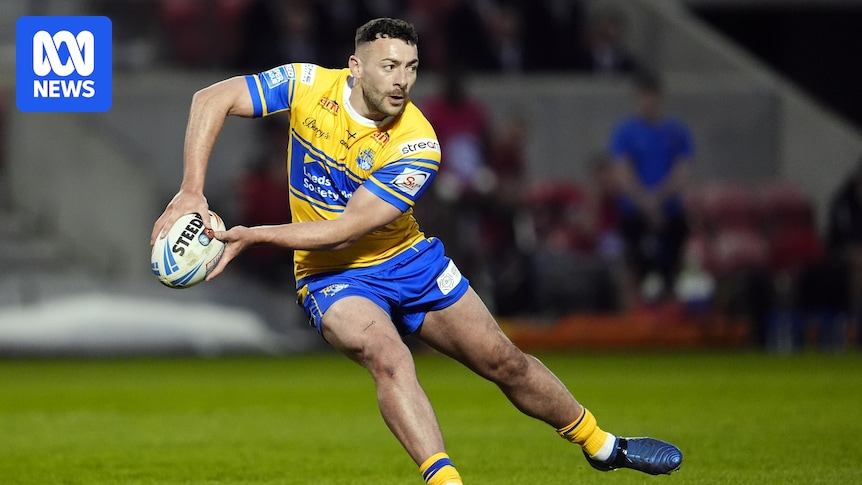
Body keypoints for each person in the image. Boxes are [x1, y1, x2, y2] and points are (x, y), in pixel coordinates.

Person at [151, 18, 682, 484]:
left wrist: (252, 234)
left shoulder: (418, 143)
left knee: (505, 362)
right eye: (389, 66)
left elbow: (347, 227)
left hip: (409, 261)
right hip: (332, 276)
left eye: (411, 67)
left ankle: (603, 446)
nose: (402, 80)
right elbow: (210, 98)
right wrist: (191, 190)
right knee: (390, 358)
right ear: (355, 67)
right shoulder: (308, 84)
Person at [608, 72, 694, 308]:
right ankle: (632, 316)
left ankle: (672, 311)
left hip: (668, 212)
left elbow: (681, 173)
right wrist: (644, 201)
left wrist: (658, 199)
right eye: (644, 96)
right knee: (632, 268)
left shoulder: (676, 133)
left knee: (673, 266)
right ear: (638, 99)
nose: (649, 101)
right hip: (635, 212)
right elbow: (623, 173)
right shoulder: (625, 133)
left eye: (653, 96)